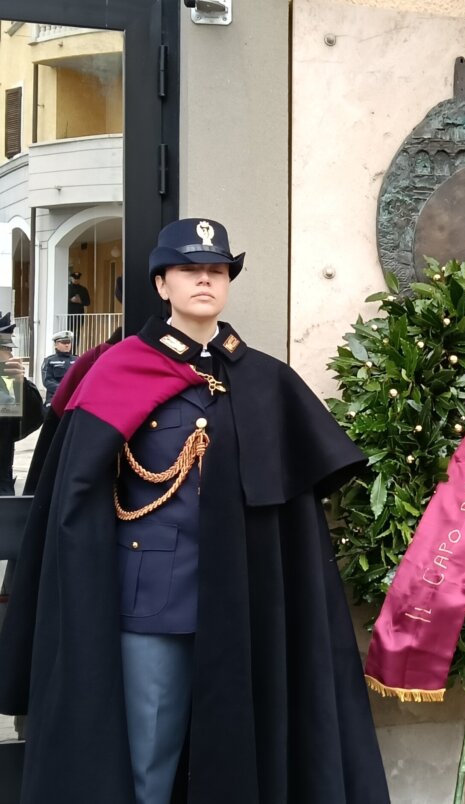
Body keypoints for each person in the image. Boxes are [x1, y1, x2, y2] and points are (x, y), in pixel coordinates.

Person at [0, 219, 390, 803]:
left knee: (241, 755)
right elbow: (73, 499)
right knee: (149, 764)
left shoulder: (263, 379)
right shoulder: (116, 371)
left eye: (217, 271)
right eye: (189, 270)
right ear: (162, 285)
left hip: (248, 602)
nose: (205, 280)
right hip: (154, 604)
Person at [0, 313, 43, 495]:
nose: (10, 354)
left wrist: (22, 385)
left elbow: (21, 427)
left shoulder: (7, 381)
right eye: (5, 348)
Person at [40, 329, 76, 406]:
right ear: (56, 345)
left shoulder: (77, 360)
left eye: (68, 342)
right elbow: (47, 381)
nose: (67, 345)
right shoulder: (49, 361)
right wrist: (64, 389)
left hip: (74, 397)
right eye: (63, 343)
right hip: (55, 396)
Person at [68, 270, 91, 348]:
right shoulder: (67, 288)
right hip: (69, 314)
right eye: (75, 278)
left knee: (76, 333)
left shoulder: (83, 289)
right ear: (71, 278)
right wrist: (71, 300)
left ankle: (75, 349)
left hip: (79, 314)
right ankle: (68, 349)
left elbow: (88, 302)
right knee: (68, 332)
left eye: (77, 278)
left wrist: (80, 301)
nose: (76, 280)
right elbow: (61, 299)